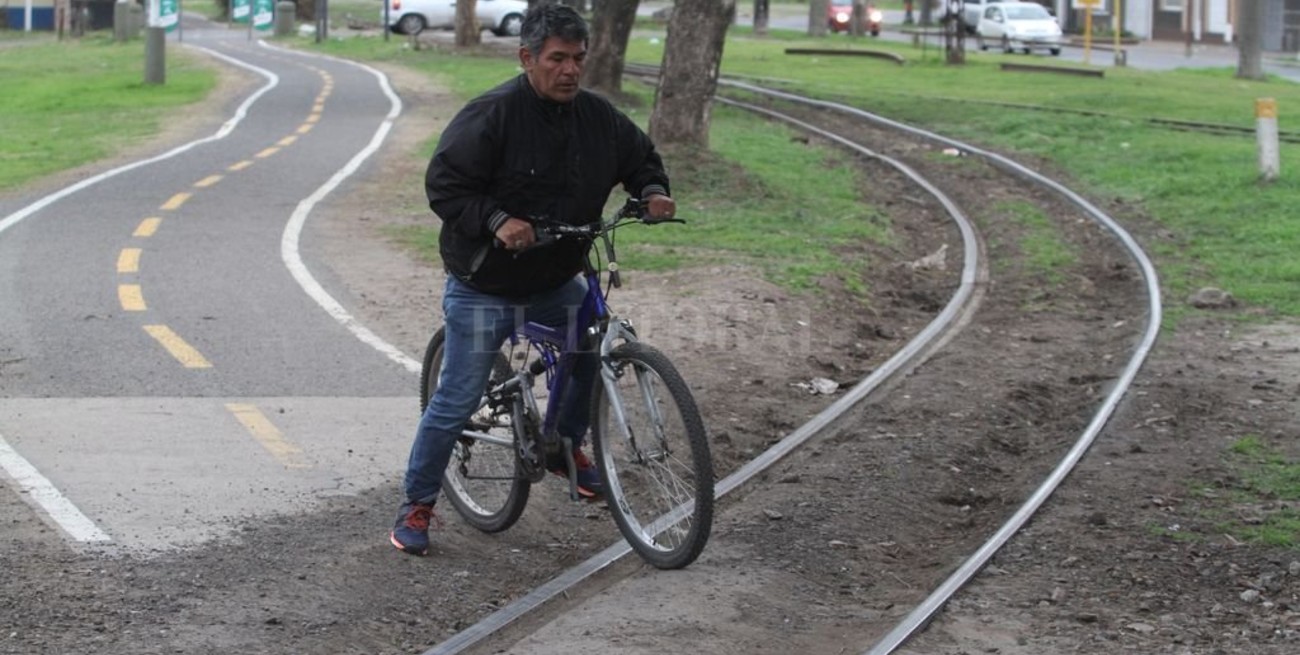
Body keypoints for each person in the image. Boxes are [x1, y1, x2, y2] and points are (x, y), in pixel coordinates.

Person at [391, 3, 677, 556]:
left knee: (591, 339)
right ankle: (417, 503)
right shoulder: (492, 114)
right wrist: (498, 220)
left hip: (556, 276)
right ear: (527, 58)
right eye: (557, 59)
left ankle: (563, 446)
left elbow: (640, 157)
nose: (570, 70)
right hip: (485, 283)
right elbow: (445, 185)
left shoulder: (597, 117)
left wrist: (652, 191)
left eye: (578, 58)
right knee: (456, 399)